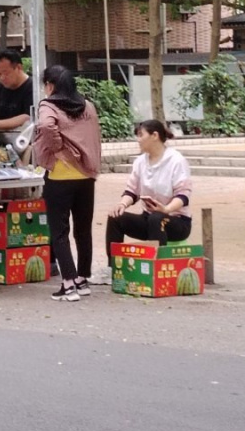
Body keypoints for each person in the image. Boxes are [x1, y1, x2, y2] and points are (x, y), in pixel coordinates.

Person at [32, 65, 102, 303]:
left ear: (50, 85)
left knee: (60, 231)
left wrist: (57, 147)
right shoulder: (88, 106)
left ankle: (68, 284)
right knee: (83, 230)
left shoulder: (48, 105)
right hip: (86, 176)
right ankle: (82, 279)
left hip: (60, 177)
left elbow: (45, 126)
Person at [106, 119, 193, 266]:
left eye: (141, 135)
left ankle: (157, 269)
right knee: (116, 217)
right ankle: (114, 268)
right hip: (148, 219)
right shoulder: (140, 162)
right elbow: (132, 191)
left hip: (176, 221)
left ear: (154, 136)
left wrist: (166, 209)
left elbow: (183, 195)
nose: (137, 140)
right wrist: (122, 204)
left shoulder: (176, 160)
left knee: (157, 218)